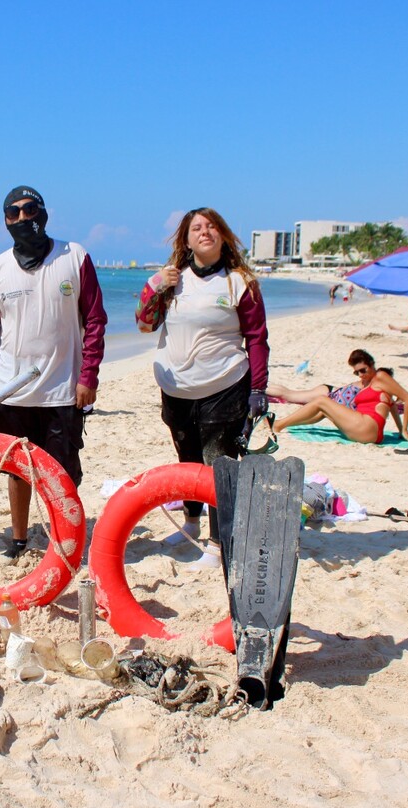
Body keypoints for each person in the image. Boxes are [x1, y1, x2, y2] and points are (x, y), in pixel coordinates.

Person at [0, 186, 107, 559]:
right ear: (5, 221)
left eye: (29, 210)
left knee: (64, 472)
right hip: (11, 392)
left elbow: (94, 321)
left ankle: (61, 537)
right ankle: (18, 539)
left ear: (43, 214)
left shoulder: (74, 256)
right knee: (17, 470)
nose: (21, 218)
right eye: (12, 213)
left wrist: (88, 377)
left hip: (63, 391)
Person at [136, 207, 269, 562]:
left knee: (217, 467)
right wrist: (155, 286)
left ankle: (218, 543)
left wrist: (258, 389)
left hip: (223, 387)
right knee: (187, 461)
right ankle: (191, 523)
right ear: (186, 239)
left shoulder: (239, 281)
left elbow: (257, 338)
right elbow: (144, 324)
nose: (204, 232)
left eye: (211, 227)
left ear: (223, 235)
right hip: (177, 390)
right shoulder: (173, 279)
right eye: (196, 228)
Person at [274, 348, 408, 445]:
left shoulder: (380, 376)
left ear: (372, 364)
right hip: (369, 432)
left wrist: (404, 430)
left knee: (322, 400)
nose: (361, 375)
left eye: (363, 370)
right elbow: (393, 408)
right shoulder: (375, 388)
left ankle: (279, 424)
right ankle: (284, 423)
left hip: (367, 426)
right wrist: (399, 431)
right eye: (357, 373)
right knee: (323, 411)